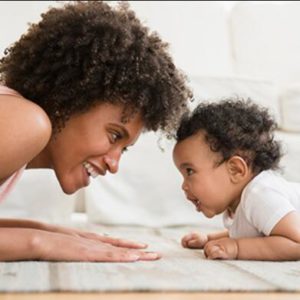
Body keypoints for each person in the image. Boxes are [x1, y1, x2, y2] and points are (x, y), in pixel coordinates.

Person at [0, 1, 192, 262]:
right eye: (114, 135)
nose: (114, 165)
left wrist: (46, 231)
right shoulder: (26, 122)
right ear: (66, 99)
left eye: (123, 149)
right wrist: (40, 243)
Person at [173, 98, 300, 261]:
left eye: (189, 171)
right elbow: (255, 232)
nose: (184, 186)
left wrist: (237, 247)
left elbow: (296, 242)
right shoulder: (241, 204)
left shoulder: (260, 194)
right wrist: (210, 239)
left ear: (236, 170)